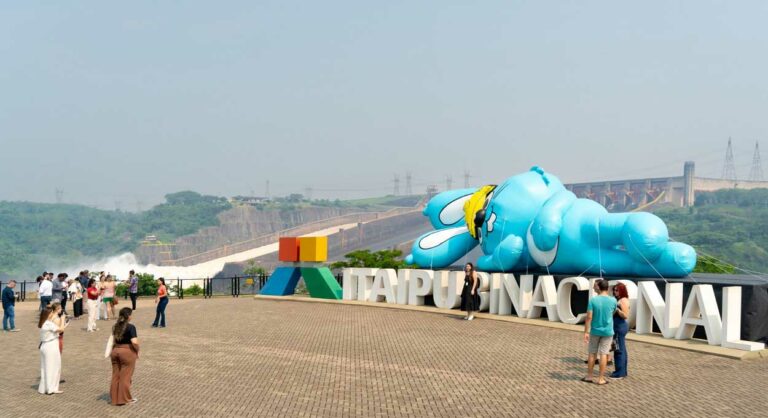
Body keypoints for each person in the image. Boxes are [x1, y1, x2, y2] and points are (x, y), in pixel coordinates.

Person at [582, 279, 617, 386]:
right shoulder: (613, 300)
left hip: (595, 331)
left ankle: (589, 376)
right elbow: (613, 312)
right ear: (607, 288)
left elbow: (589, 317)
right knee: (604, 354)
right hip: (608, 331)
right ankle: (601, 379)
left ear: (599, 287)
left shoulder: (593, 300)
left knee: (592, 353)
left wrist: (586, 332)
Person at [110, 307, 139, 405]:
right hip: (127, 352)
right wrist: (137, 351)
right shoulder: (131, 327)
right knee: (125, 376)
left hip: (115, 351)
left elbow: (114, 340)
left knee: (116, 375)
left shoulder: (115, 326)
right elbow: (134, 342)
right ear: (129, 316)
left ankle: (114, 398)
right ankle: (124, 399)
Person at [38, 302, 68, 394]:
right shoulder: (48, 324)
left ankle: (44, 388)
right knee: (53, 367)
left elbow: (57, 330)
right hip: (50, 346)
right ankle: (51, 388)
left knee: (45, 368)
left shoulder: (43, 323)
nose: (52, 314)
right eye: (51, 313)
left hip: (45, 346)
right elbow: (61, 329)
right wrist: (63, 319)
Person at [610, 283, 630, 380]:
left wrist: (617, 310)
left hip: (619, 326)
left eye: (617, 290)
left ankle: (619, 373)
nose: (615, 292)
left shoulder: (623, 300)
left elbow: (625, 315)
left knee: (618, 350)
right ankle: (622, 371)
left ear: (622, 290)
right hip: (617, 326)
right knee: (621, 349)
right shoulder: (619, 299)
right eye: (614, 290)